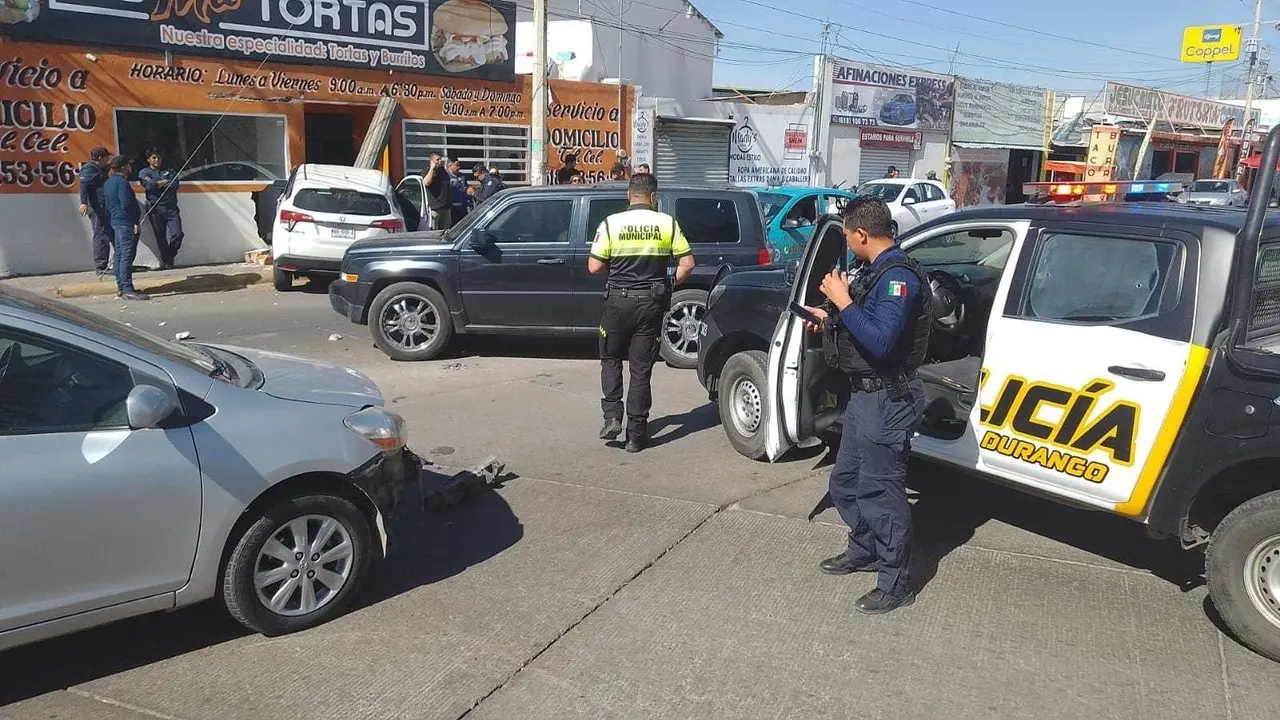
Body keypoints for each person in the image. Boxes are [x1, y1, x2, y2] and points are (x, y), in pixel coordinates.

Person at [799, 197, 931, 614]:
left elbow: (882, 340)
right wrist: (828, 316)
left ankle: (896, 583)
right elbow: (862, 323)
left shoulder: (898, 279)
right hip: (864, 396)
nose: (846, 244)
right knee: (846, 482)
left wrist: (843, 301)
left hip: (888, 398)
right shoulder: (874, 273)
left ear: (860, 235)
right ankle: (865, 548)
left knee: (879, 492)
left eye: (846, 236)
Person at [587, 173, 695, 453]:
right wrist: (669, 282)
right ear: (653, 197)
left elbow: (594, 267)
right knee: (641, 369)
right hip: (651, 303)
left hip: (617, 304)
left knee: (610, 357)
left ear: (629, 195)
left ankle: (612, 416)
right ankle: (636, 435)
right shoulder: (667, 223)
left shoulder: (611, 224)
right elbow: (687, 263)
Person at [104, 156, 148, 301]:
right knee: (127, 256)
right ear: (123, 167)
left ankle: (121, 287)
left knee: (119, 254)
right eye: (128, 165)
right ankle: (127, 288)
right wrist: (135, 220)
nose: (130, 168)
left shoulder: (109, 182)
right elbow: (127, 203)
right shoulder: (122, 183)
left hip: (116, 221)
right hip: (126, 222)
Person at [137, 148, 184, 269]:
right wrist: (163, 182)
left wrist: (158, 183)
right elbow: (149, 186)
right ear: (148, 160)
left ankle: (170, 255)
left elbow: (175, 184)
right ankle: (167, 260)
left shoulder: (169, 170)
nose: (157, 160)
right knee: (161, 237)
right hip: (155, 209)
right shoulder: (144, 172)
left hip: (171, 208)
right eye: (154, 157)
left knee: (177, 234)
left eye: (158, 157)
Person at [78, 146, 114, 277]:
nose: (108, 159)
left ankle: (118, 263)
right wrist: (83, 202)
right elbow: (83, 185)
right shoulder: (89, 168)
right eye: (106, 157)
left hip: (104, 205)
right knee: (101, 235)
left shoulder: (100, 168)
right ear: (100, 158)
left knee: (109, 233)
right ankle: (101, 266)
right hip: (97, 206)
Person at [423, 152, 452, 230]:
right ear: (431, 161)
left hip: (445, 207)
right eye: (437, 160)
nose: (440, 161)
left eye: (440, 159)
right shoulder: (428, 170)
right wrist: (432, 168)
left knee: (445, 231)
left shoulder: (443, 171)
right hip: (435, 207)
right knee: (434, 231)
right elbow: (426, 183)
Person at [447, 157, 471, 222]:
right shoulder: (446, 176)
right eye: (456, 165)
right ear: (450, 165)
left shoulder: (462, 176)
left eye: (459, 166)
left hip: (463, 207)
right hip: (452, 208)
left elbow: (466, 188)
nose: (459, 167)